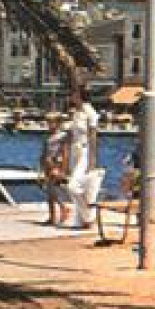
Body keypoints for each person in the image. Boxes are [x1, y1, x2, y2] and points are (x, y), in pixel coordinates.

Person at [64, 86, 101, 229]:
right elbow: (71, 136)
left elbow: (93, 137)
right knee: (81, 187)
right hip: (75, 151)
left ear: (80, 95)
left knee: (72, 186)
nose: (72, 96)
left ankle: (89, 216)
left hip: (84, 151)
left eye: (74, 94)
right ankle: (82, 219)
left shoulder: (90, 113)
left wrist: (92, 160)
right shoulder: (76, 113)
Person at [38, 112, 69, 227]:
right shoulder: (48, 137)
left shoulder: (62, 136)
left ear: (58, 123)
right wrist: (40, 168)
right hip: (47, 165)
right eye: (48, 122)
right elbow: (44, 152)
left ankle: (63, 208)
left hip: (56, 165)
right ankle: (52, 217)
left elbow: (65, 153)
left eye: (51, 122)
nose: (49, 125)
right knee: (49, 192)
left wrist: (62, 170)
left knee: (54, 190)